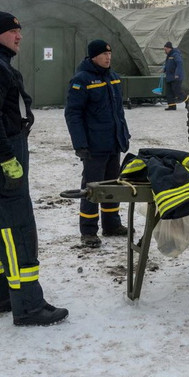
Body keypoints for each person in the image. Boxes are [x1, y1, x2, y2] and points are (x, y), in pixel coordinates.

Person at [0, 10, 68, 326]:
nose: (19, 36)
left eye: (20, 30)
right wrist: (6, 159)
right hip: (0, 156)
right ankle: (28, 305)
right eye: (13, 31)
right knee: (15, 226)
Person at [65, 39, 131, 248]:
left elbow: (118, 112)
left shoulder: (113, 78)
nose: (108, 57)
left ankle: (111, 225)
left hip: (113, 143)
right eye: (103, 54)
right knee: (92, 188)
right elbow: (73, 114)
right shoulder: (81, 80)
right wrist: (80, 144)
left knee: (112, 185)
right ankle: (88, 231)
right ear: (93, 56)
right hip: (94, 146)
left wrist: (124, 135)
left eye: (109, 54)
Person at [163, 41, 188, 111]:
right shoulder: (169, 56)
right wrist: (165, 69)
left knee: (177, 91)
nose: (164, 51)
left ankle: (188, 100)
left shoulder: (175, 54)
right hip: (169, 77)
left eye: (165, 49)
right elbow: (168, 64)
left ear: (169, 48)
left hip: (176, 77)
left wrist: (177, 74)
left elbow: (179, 64)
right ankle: (171, 106)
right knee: (169, 92)